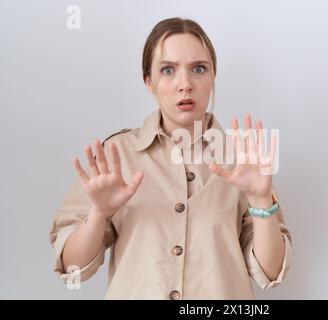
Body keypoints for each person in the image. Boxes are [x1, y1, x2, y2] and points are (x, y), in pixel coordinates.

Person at [49, 17, 293, 299]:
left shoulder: (243, 159)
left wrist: (261, 200)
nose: (185, 84)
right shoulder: (116, 156)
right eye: (168, 70)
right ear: (149, 81)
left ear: (213, 77)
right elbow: (73, 267)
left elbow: (271, 273)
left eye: (199, 69)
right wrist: (99, 213)